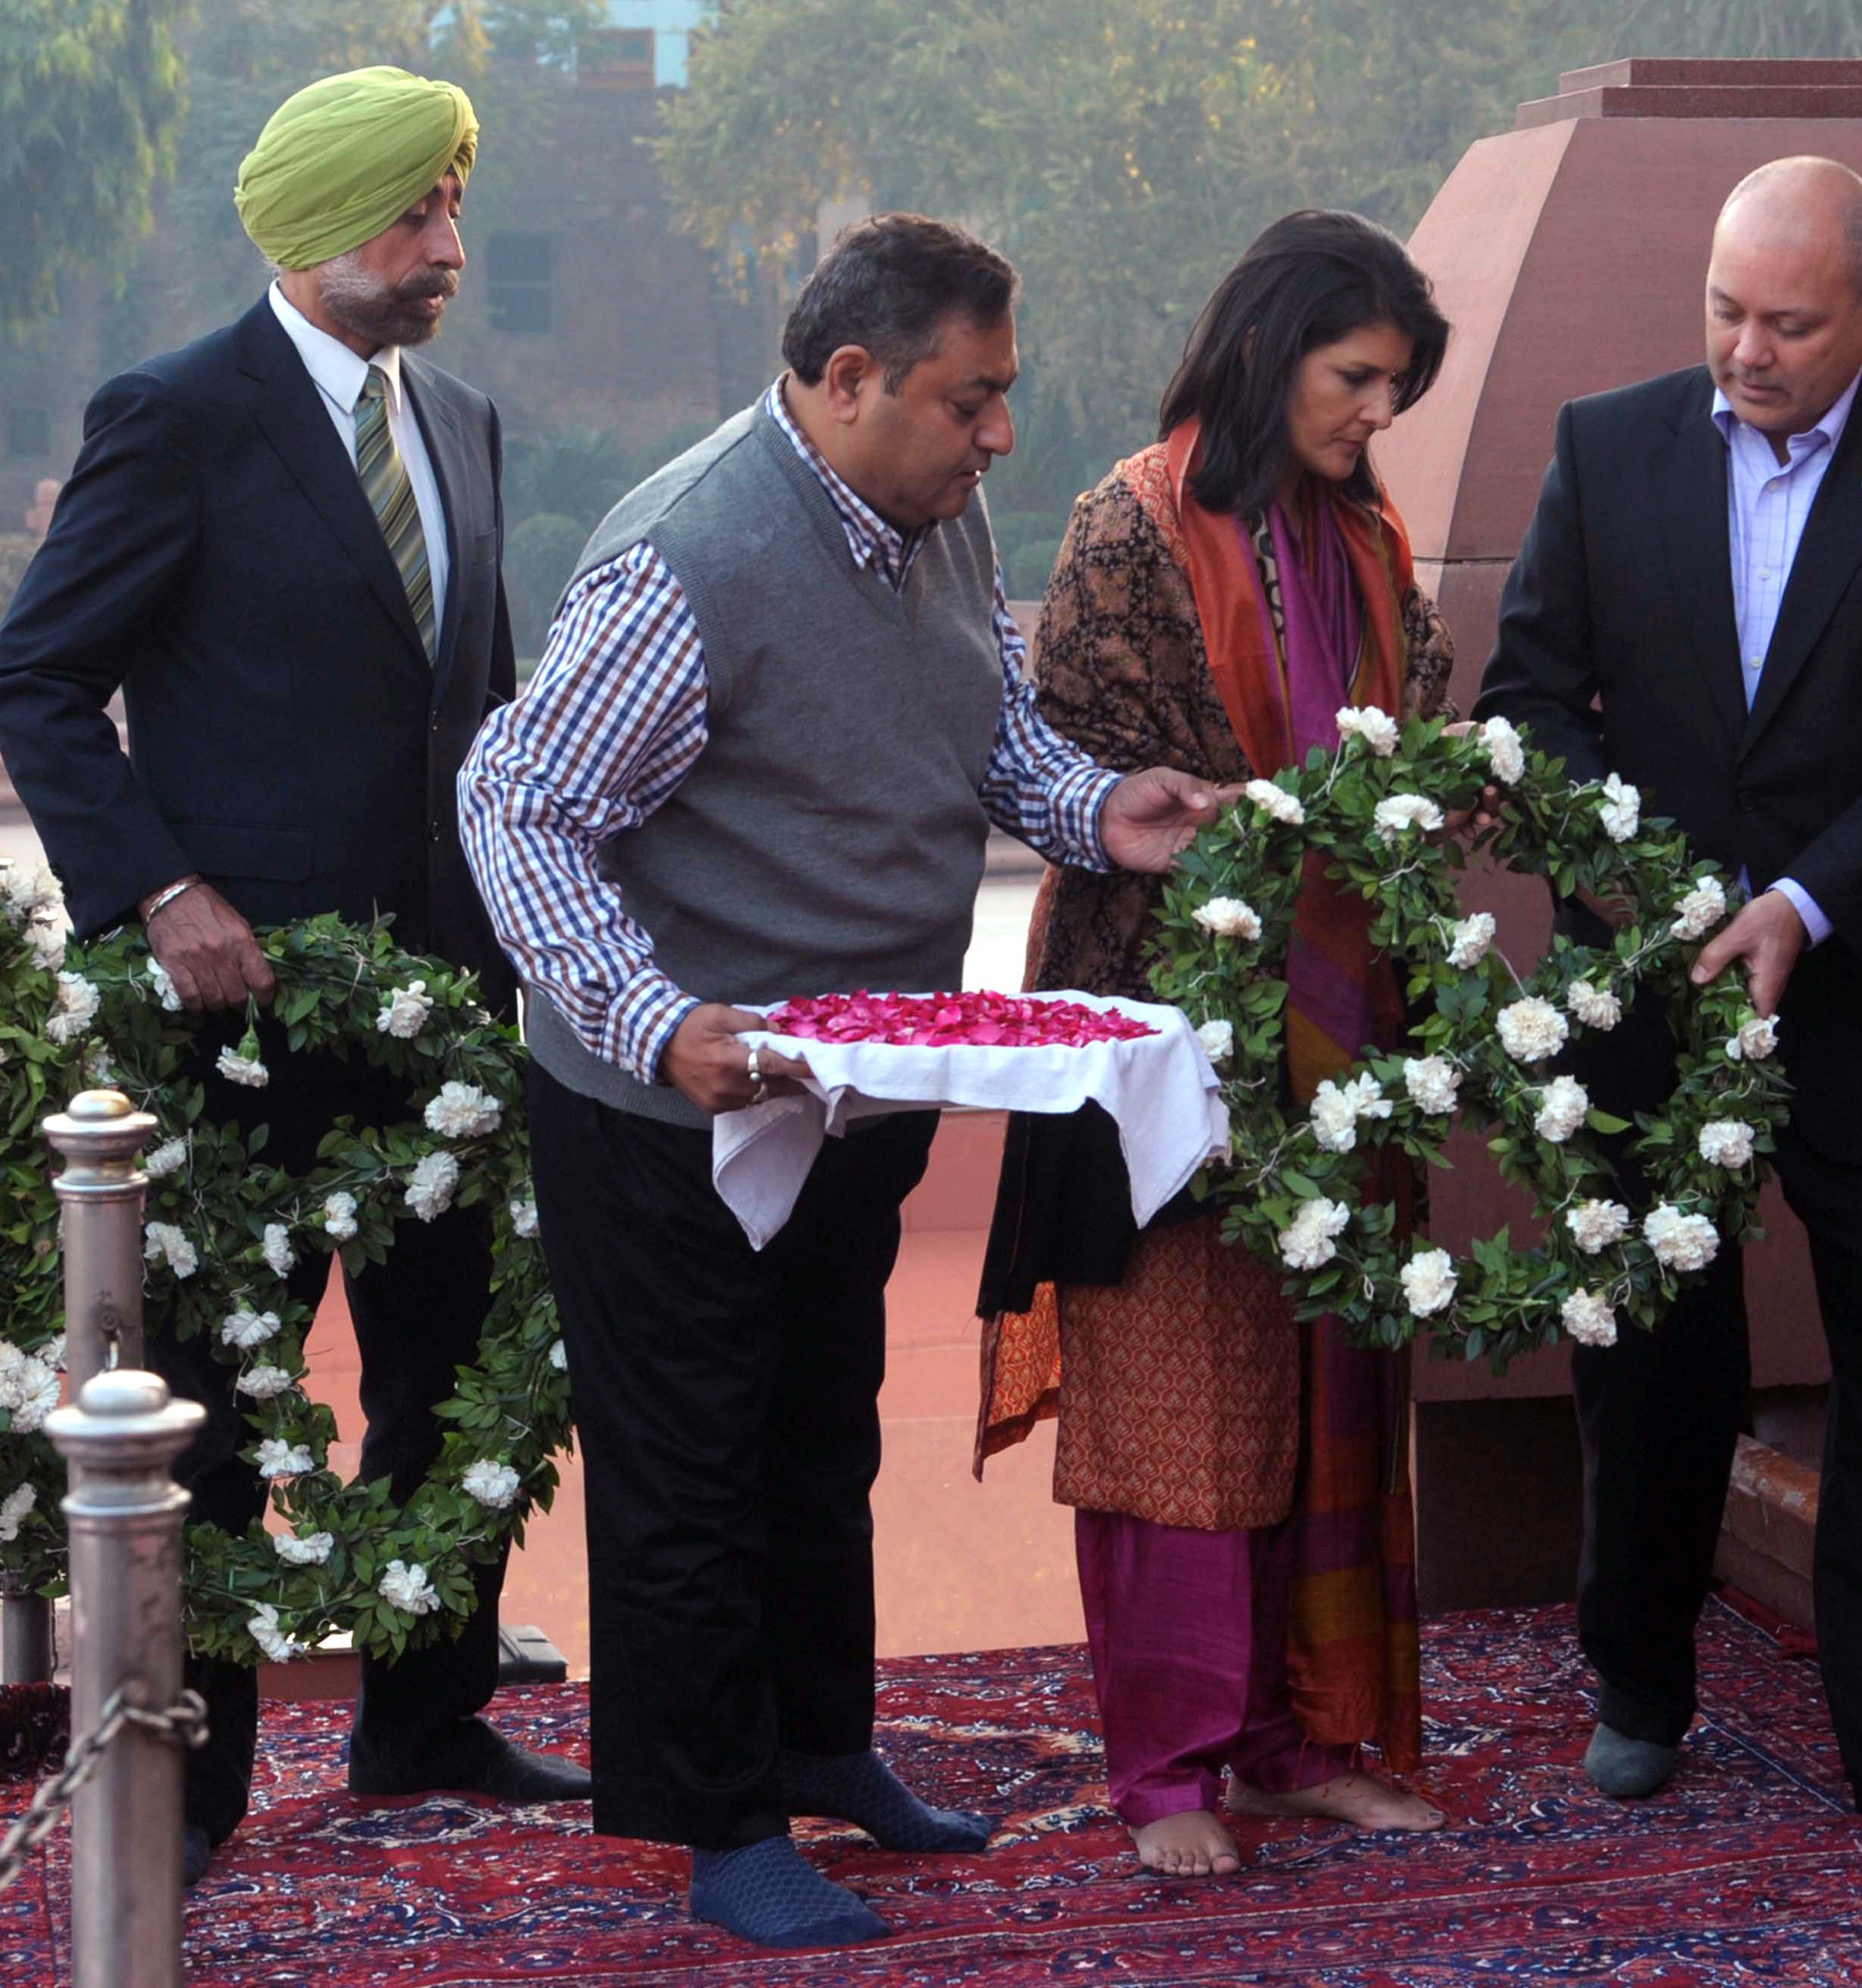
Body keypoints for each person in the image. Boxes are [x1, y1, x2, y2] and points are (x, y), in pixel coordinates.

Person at [457, 212, 1232, 1949]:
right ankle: (723, 1823)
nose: (1001, 433)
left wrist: (1098, 808)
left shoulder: (936, 513)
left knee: (817, 1435)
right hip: (673, 1107)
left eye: (1004, 394)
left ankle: (820, 1743)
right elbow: (516, 806)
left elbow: (989, 729)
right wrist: (650, 1017)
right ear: (851, 379)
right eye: (972, 400)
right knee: (693, 1465)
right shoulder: (690, 554)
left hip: (856, 1086)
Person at [0, 66, 587, 1885]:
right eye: (417, 211)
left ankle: (428, 1719)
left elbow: (477, 708)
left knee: (443, 1368)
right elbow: (36, 678)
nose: (450, 244)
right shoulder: (175, 413)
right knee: (217, 1407)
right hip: (233, 1020)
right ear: (321, 225)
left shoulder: (464, 418)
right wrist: (159, 887)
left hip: (447, 1010)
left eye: (455, 204)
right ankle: (190, 1791)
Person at [1475, 158, 1862, 1851]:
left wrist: (1804, 901)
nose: (1748, 350)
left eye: (1790, 324)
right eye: (1725, 311)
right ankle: (1639, 1686)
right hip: (1644, 983)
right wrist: (1657, 896)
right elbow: (1531, 700)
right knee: (1646, 1354)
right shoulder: (1606, 446)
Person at [974, 209, 1451, 1880]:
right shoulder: (1130, 521)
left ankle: (1301, 1738)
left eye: (1394, 389)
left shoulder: (1369, 532)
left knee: (1326, 1385)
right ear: (1267, 352)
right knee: (1180, 1395)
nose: (1375, 413)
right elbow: (1074, 756)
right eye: (1356, 377)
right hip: (1165, 1023)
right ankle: (1167, 1767)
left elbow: (1418, 728)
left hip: (1346, 1032)